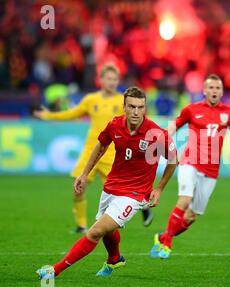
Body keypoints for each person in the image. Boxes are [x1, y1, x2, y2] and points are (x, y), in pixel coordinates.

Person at [36, 86, 177, 280]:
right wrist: (84, 174)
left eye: (140, 107)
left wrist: (159, 188)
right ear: (124, 107)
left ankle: (55, 270)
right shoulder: (114, 124)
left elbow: (173, 159)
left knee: (96, 231)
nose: (136, 112)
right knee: (107, 231)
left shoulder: (156, 133)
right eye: (132, 106)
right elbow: (101, 146)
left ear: (145, 108)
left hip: (135, 194)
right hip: (112, 187)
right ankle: (115, 258)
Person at [34, 64, 153, 233]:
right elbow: (72, 113)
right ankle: (81, 225)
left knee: (120, 193)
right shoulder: (91, 100)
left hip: (112, 153)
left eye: (114, 79)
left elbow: (139, 119)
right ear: (101, 80)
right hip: (92, 150)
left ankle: (140, 206)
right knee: (78, 187)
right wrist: (48, 115)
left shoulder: (123, 101)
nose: (111, 82)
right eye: (108, 78)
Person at [150, 74, 230, 259]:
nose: (214, 91)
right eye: (211, 88)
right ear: (204, 90)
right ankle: (167, 245)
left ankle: (163, 237)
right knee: (184, 199)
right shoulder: (191, 109)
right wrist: (162, 139)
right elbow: (174, 126)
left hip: (211, 169)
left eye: (217, 88)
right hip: (190, 161)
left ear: (222, 91)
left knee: (192, 216)